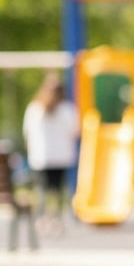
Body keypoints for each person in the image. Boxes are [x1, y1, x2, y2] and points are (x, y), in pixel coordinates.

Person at [22, 73, 80, 233]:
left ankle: (41, 218)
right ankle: (57, 219)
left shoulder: (34, 109)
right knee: (58, 189)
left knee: (42, 189)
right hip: (61, 156)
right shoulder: (67, 110)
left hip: (40, 157)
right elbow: (74, 131)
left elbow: (27, 132)